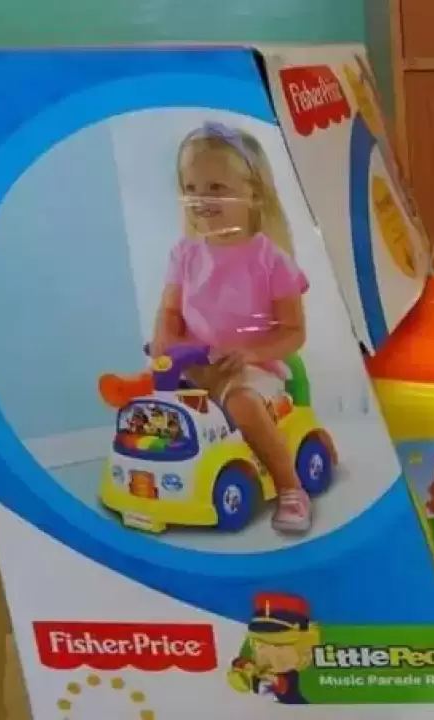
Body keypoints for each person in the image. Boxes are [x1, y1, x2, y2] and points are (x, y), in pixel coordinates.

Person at [150, 122, 311, 533]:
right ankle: (163, 483)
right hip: (192, 364)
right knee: (152, 411)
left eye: (216, 188)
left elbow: (294, 331)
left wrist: (250, 354)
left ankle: (291, 488)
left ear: (253, 193)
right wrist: (165, 343)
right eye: (191, 187)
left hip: (249, 369)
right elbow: (169, 311)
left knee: (240, 403)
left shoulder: (271, 261)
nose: (200, 199)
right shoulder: (185, 253)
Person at [227, 592, 319, 704]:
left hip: (271, 617)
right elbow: (281, 685)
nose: (241, 662)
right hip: (289, 623)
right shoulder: (266, 676)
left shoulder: (259, 660)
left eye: (237, 664)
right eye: (239, 665)